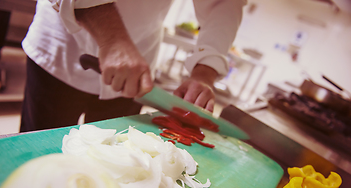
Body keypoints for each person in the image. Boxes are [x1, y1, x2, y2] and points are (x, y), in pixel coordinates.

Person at [20, 0, 245, 132]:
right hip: (63, 48)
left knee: (113, 163)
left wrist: (205, 70)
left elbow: (224, 3)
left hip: (138, 67)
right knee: (36, 158)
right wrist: (113, 38)